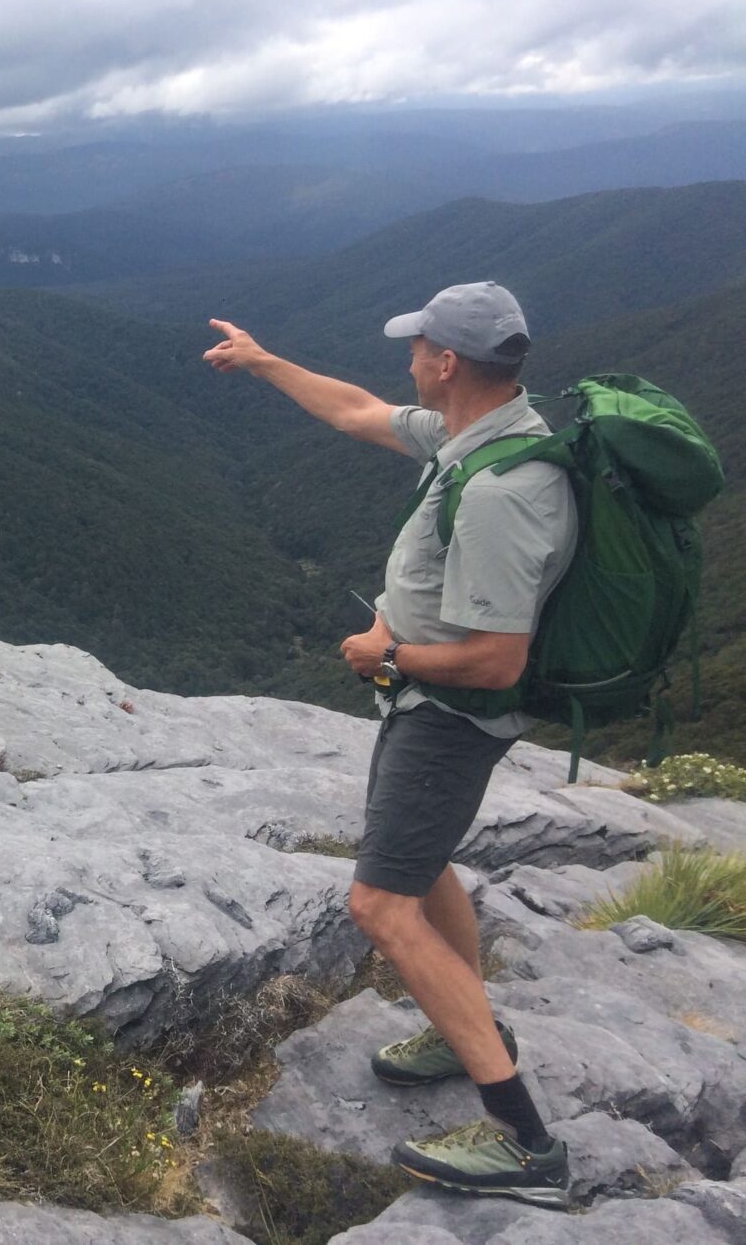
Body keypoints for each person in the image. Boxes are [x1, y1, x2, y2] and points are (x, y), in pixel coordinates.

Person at [202, 282, 577, 1209]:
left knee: (380, 905)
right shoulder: (475, 435)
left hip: (449, 720)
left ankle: (527, 1144)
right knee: (420, 860)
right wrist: (262, 362)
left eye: (417, 348)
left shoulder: (502, 491)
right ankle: (461, 1025)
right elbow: (358, 412)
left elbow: (497, 659)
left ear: (446, 363)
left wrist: (388, 654)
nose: (406, 359)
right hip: (425, 708)